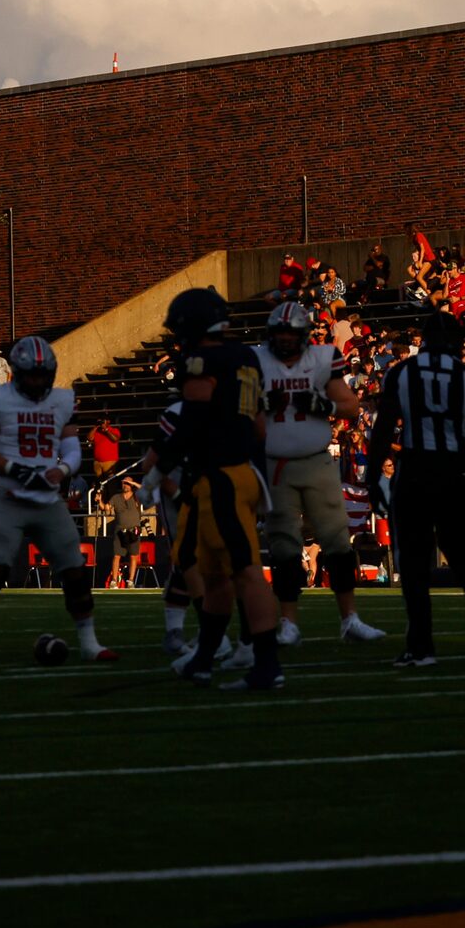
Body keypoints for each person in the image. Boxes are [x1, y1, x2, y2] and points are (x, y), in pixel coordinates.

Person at [158, 286, 287, 692]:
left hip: (221, 478)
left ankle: (266, 665)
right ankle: (202, 660)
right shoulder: (246, 356)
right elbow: (260, 426)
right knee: (214, 576)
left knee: (246, 572)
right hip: (239, 472)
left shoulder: (202, 361)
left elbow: (192, 422)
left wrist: (158, 466)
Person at [0, 335, 113, 664]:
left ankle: (89, 641)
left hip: (46, 495)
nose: (38, 381)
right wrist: (17, 469)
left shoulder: (61, 400)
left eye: (43, 374)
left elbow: (71, 447)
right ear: (17, 371)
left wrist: (63, 468)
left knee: (74, 569)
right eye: (32, 374)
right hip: (6, 493)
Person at [363, 311, 465, 668]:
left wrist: (371, 478)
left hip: (416, 469)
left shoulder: (403, 372)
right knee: (464, 552)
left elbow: (382, 430)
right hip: (455, 470)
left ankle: (421, 645)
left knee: (413, 560)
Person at [254, 301, 382, 646]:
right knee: (284, 548)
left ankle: (350, 618)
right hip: (275, 463)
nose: (283, 340)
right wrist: (261, 407)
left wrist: (322, 405)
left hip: (316, 459)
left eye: (289, 333)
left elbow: (352, 405)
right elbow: (239, 412)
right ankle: (288, 622)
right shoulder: (257, 361)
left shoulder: (324, 357)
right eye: (278, 333)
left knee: (337, 544)